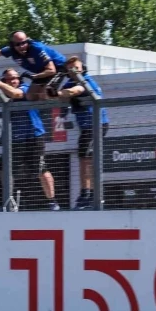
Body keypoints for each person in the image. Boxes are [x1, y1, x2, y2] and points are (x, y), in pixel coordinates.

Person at [0, 68, 60, 211]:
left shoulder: (26, 88)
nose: (13, 81)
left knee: (41, 168)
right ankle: (9, 200)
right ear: (5, 80)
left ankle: (52, 201)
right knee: (4, 168)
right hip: (16, 138)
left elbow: (16, 94)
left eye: (15, 78)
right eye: (9, 79)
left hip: (34, 136)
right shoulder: (4, 92)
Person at [50, 56, 110, 210]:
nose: (74, 70)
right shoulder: (70, 82)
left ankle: (89, 194)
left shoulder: (86, 80)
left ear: (82, 68)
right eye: (71, 69)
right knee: (84, 157)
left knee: (87, 158)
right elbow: (57, 97)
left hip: (96, 124)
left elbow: (75, 91)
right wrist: (55, 86)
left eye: (76, 67)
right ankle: (86, 193)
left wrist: (59, 93)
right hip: (85, 127)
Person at [0, 31, 67, 101]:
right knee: (31, 97)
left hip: (58, 67)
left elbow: (52, 70)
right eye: (18, 44)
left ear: (28, 41)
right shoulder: (10, 50)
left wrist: (34, 76)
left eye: (24, 43)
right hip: (42, 72)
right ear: (12, 45)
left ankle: (68, 99)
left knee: (47, 94)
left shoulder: (36, 48)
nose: (22, 47)